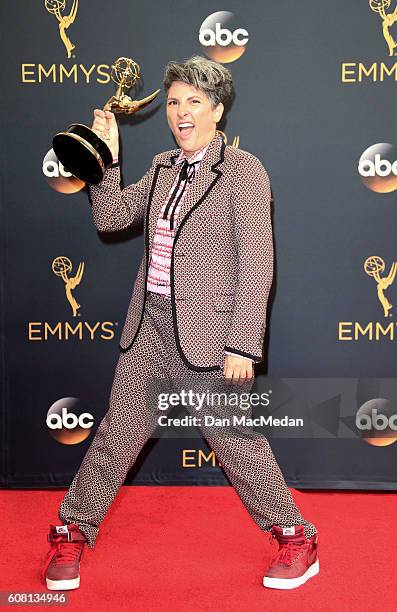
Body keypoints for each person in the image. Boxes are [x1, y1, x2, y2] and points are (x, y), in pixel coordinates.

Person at [42, 55, 319, 592]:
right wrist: (108, 161)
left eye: (194, 101)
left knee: (237, 442)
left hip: (211, 338)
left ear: (218, 109)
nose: (181, 112)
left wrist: (243, 345)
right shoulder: (164, 166)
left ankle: (296, 537)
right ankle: (73, 530)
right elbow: (112, 219)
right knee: (116, 435)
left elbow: (256, 260)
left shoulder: (244, 172)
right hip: (148, 329)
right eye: (173, 102)